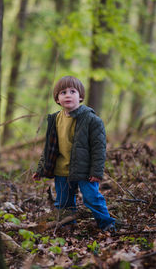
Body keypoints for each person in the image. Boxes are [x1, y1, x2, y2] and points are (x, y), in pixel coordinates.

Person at [33, 76, 115, 231]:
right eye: (63, 92)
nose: (68, 95)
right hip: (61, 170)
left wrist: (96, 172)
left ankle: (107, 224)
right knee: (63, 201)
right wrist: (41, 169)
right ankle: (68, 225)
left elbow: (99, 148)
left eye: (72, 91)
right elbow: (49, 147)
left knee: (92, 198)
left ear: (81, 96)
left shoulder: (92, 120)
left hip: (85, 171)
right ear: (57, 99)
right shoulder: (55, 119)